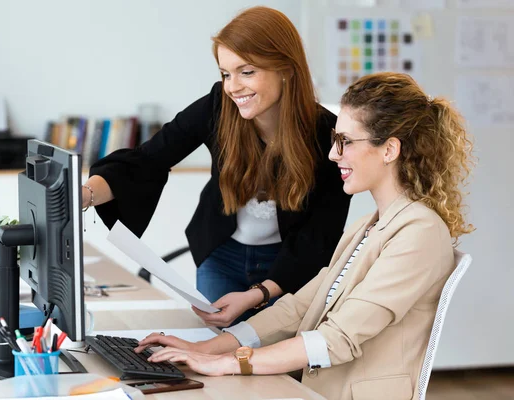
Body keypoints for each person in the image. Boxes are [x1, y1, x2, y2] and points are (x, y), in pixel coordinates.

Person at [134, 72, 475, 400]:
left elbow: (335, 340)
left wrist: (225, 363)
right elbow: (301, 307)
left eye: (345, 142)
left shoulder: (420, 233)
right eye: (334, 141)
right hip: (317, 388)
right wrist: (208, 348)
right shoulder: (369, 225)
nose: (332, 155)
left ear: (389, 150)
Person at [83, 6, 351, 326]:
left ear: (286, 69)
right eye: (226, 74)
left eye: (246, 71)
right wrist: (84, 194)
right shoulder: (218, 106)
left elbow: (318, 238)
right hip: (221, 256)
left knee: (275, 363)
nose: (233, 87)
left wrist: (259, 294)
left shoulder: (328, 135)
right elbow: (148, 159)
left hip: (290, 266)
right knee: (221, 352)